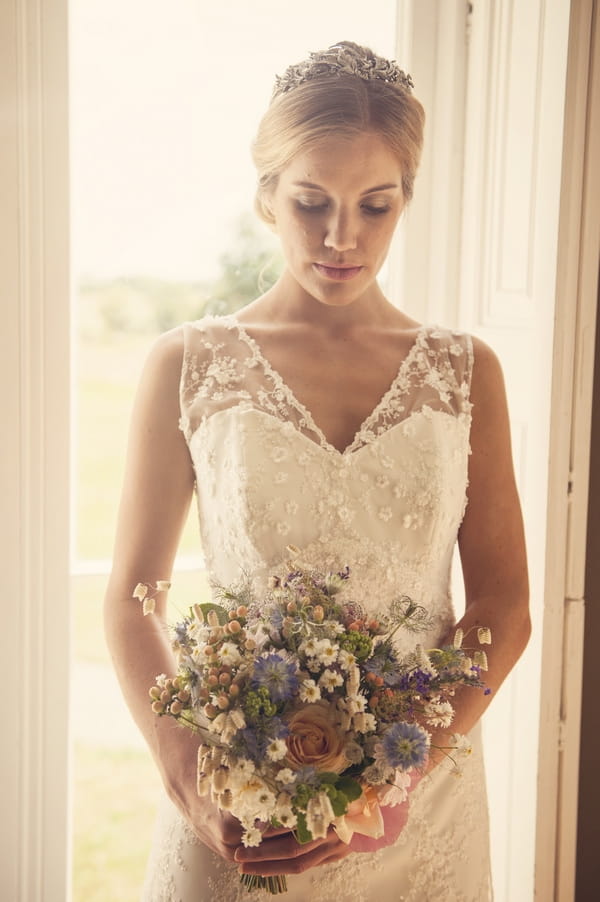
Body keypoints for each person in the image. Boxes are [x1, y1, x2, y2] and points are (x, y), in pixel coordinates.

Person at [104, 41, 531, 901]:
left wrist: (400, 775)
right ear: (267, 197)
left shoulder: (464, 370)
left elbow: (504, 605)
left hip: (425, 811)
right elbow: (132, 597)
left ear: (406, 198)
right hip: (242, 799)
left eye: (376, 206)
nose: (343, 238)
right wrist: (187, 767)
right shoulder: (188, 364)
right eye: (312, 203)